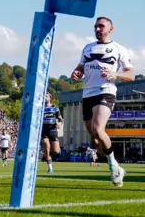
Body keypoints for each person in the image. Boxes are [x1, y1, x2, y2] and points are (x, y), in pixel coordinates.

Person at [70, 16, 134, 187]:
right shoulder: (87, 48)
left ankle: (113, 165)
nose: (98, 29)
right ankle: (117, 166)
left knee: (98, 129)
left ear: (110, 29)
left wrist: (115, 74)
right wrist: (76, 73)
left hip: (106, 91)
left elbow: (131, 75)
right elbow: (80, 68)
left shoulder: (118, 49)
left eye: (101, 26)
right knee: (95, 139)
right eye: (95, 27)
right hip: (87, 94)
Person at [41, 92, 63, 173]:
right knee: (46, 146)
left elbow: (60, 119)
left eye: (46, 96)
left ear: (50, 98)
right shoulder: (40, 108)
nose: (45, 98)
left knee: (56, 151)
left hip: (53, 130)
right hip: (44, 130)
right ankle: (50, 168)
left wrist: (60, 124)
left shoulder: (55, 108)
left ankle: (57, 150)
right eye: (44, 96)